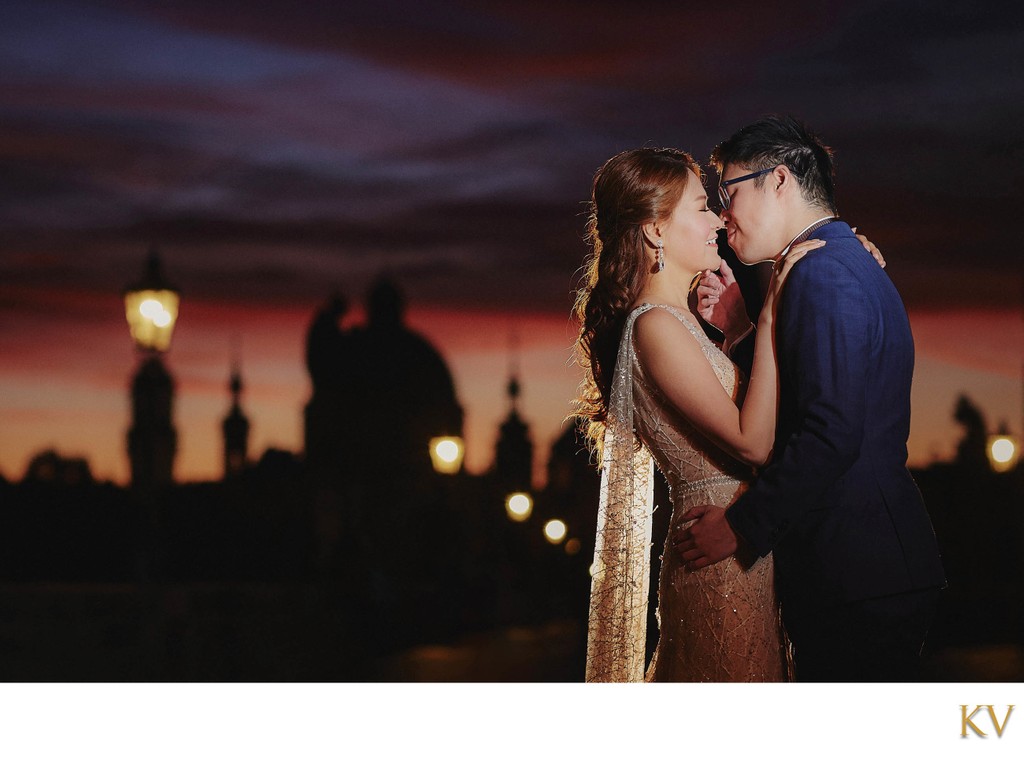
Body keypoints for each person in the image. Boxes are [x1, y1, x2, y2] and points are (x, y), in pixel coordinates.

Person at [675, 116, 945, 682]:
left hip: (856, 568)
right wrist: (744, 331)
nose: (724, 217)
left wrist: (741, 525)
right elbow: (805, 398)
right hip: (863, 566)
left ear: (778, 182)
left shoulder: (823, 274)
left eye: (729, 192)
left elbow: (831, 430)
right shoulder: (834, 262)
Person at [576, 147, 826, 682]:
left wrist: (739, 332)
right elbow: (753, 443)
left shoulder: (678, 321)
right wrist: (772, 311)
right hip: (716, 564)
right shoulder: (655, 327)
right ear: (654, 232)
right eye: (700, 206)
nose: (719, 218)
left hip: (736, 550)